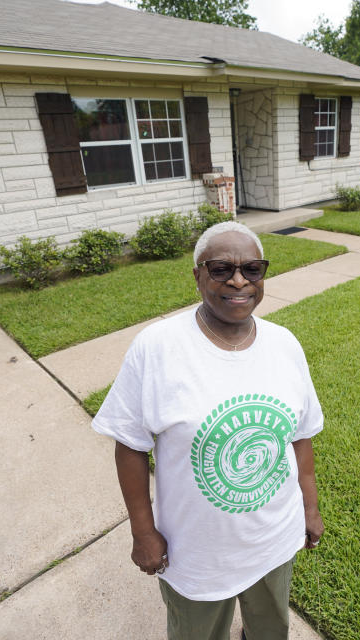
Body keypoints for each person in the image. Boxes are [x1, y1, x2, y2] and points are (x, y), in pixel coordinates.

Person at [92, 221, 324, 640]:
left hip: (273, 537)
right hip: (197, 551)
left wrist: (309, 508)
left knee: (271, 629)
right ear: (197, 275)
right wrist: (143, 532)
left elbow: (300, 435)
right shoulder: (157, 347)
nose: (239, 280)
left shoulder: (284, 344)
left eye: (253, 269)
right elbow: (130, 445)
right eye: (221, 269)